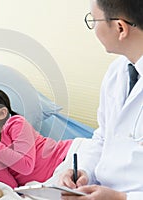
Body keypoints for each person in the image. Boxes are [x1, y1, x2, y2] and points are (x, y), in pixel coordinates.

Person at [59, 0, 143, 199]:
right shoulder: (116, 72)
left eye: (94, 20)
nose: (94, 28)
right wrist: (83, 172)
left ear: (120, 28)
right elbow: (103, 137)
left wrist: (122, 198)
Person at [0, 88, 74, 188]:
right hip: (53, 181)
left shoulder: (16, 123)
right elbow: (11, 186)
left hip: (70, 157)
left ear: (1, 113)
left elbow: (26, 166)